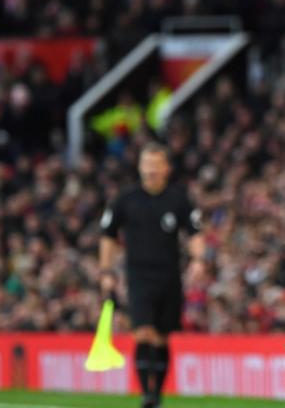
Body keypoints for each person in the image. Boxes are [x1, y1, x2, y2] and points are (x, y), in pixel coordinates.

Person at [99, 142, 204, 408]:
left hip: (169, 276)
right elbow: (108, 236)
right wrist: (106, 271)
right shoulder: (125, 199)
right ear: (139, 167)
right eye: (147, 165)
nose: (151, 170)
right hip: (138, 276)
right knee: (143, 332)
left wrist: (199, 260)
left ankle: (157, 393)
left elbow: (194, 233)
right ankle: (147, 393)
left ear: (166, 168)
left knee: (161, 336)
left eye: (156, 165)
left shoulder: (178, 199)